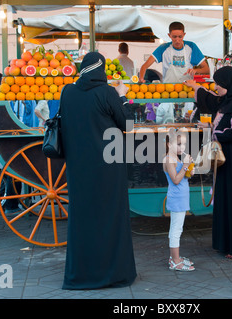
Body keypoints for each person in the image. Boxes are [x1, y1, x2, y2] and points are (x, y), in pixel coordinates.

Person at [60, 52, 136, 290]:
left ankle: (80, 276)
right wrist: (124, 97)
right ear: (102, 70)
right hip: (108, 169)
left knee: (82, 220)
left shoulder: (67, 92)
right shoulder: (107, 92)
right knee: (110, 218)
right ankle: (114, 275)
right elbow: (129, 125)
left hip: (78, 169)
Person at [184, 66, 232, 260]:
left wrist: (212, 127)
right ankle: (225, 243)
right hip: (226, 160)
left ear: (228, 84)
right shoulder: (228, 100)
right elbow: (214, 105)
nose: (216, 87)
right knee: (226, 199)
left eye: (219, 84)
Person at [163, 128, 195, 271]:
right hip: (176, 199)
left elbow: (183, 177)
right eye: (179, 144)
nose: (182, 147)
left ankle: (174, 257)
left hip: (182, 198)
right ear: (169, 144)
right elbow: (175, 180)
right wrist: (186, 166)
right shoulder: (168, 159)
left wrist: (189, 171)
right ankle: (175, 261)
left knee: (177, 229)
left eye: (184, 144)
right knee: (176, 230)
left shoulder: (176, 158)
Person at [139, 21, 209, 83]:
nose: (177, 40)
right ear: (169, 35)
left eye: (180, 37)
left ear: (184, 35)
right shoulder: (163, 48)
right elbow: (144, 66)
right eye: (174, 37)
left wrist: (196, 71)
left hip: (187, 90)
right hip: (169, 91)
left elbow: (206, 69)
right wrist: (141, 79)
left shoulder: (191, 47)